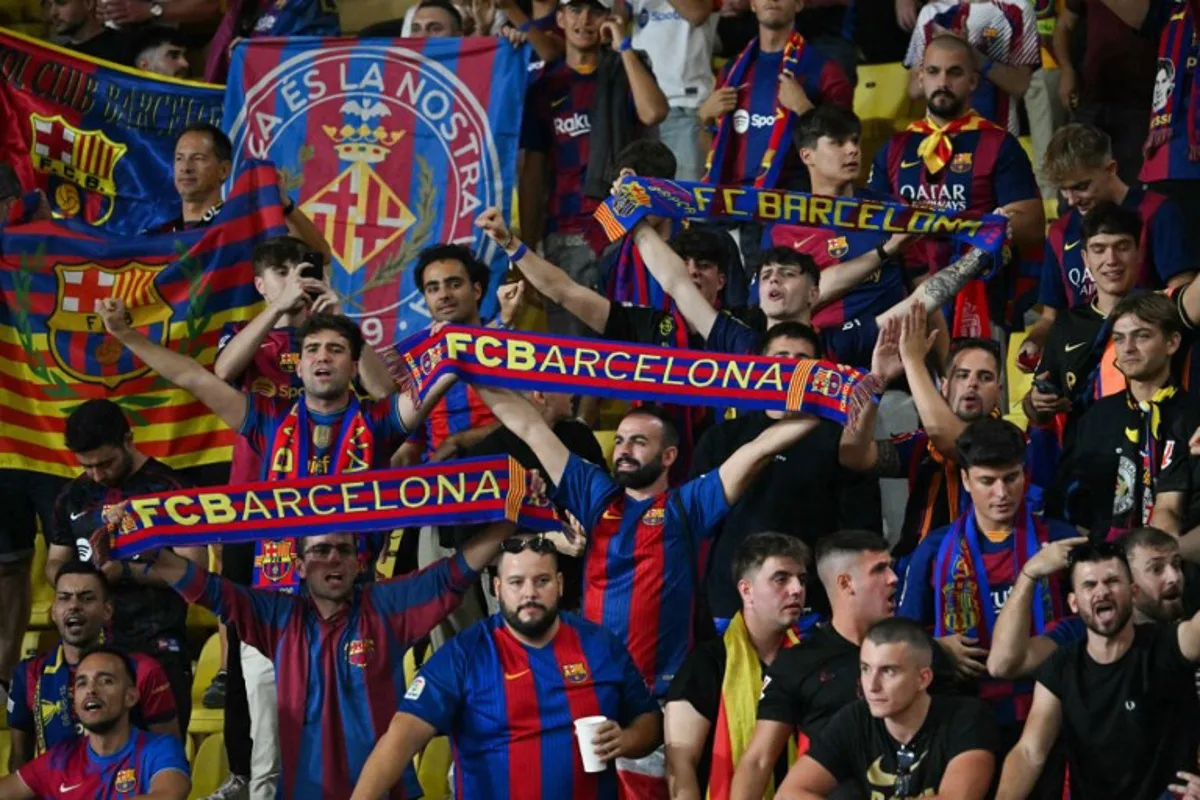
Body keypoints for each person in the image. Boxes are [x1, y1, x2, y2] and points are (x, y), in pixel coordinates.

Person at [478, 387, 824, 796]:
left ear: (668, 457)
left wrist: (825, 405)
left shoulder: (688, 505)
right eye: (620, 439)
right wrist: (463, 367)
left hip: (660, 705)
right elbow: (528, 426)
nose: (623, 449)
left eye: (639, 442)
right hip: (591, 692)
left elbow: (758, 450)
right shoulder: (594, 494)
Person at [122, 521, 518, 799]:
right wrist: (137, 544)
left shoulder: (387, 606)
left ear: (358, 564)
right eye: (321, 550)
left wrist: (512, 517)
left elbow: (456, 571)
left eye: (344, 550)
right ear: (299, 566)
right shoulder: (278, 617)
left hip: (385, 793)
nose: (333, 559)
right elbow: (210, 590)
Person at [210, 236, 395, 800]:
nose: (298, 282)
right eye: (283, 273)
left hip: (339, 531)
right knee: (252, 652)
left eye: (304, 272)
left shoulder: (335, 345)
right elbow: (220, 372)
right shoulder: (252, 335)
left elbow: (384, 394)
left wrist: (338, 321)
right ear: (263, 283)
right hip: (253, 513)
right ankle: (248, 771)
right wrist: (278, 309)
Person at [350, 534, 663, 799]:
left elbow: (649, 719)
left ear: (560, 583)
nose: (529, 593)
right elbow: (399, 738)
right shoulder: (465, 655)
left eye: (541, 581)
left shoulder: (599, 644)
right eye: (517, 582)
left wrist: (627, 740)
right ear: (497, 588)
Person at [731, 530, 952, 800]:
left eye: (891, 568)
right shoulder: (796, 663)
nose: (894, 579)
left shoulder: (921, 652)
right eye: (879, 570)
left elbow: (958, 736)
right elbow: (758, 761)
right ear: (846, 583)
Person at [897, 417, 1076, 737]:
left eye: (1011, 478)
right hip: (964, 714)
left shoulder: (1059, 541)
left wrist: (1050, 643)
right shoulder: (935, 550)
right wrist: (937, 647)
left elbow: (1093, 623)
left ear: (1025, 474)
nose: (1001, 493)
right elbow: (900, 638)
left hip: (1051, 708)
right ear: (965, 480)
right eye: (987, 481)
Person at [631, 213, 997, 368]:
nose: (773, 280)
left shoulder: (840, 342)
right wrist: (634, 220)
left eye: (787, 274)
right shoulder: (741, 339)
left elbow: (920, 300)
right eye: (767, 274)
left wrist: (981, 254)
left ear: (813, 294)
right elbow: (676, 282)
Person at [692, 323, 881, 622]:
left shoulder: (840, 442)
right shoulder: (721, 437)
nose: (791, 367)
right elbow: (696, 520)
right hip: (730, 604)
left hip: (809, 607)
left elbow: (859, 533)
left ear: (818, 371)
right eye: (781, 358)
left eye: (802, 360)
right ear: (761, 366)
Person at [43, 400, 205, 733]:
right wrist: (81, 581)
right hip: (92, 653)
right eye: (87, 466)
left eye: (106, 463)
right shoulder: (72, 496)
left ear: (129, 440)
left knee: (163, 759)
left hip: (158, 646)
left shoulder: (172, 490)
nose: (97, 475)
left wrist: (126, 572)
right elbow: (55, 562)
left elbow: (195, 568)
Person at [996, 541, 1200, 799]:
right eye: (1089, 585)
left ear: (1133, 592)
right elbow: (1029, 752)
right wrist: (1029, 572)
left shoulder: (1172, 644)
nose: (1102, 592)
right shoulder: (1061, 667)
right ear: (1073, 602)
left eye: (1112, 581)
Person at [870, 34, 1042, 330]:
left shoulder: (999, 143)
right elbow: (871, 220)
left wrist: (998, 227)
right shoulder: (895, 147)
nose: (943, 83)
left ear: (974, 82)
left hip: (981, 299)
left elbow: (1033, 225)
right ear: (920, 77)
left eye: (955, 72)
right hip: (904, 299)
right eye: (934, 72)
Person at [519, 0, 668, 335]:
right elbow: (533, 174)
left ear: (609, 17)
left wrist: (623, 44)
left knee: (627, 350)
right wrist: (526, 254)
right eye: (574, 9)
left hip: (622, 230)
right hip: (565, 237)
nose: (584, 19)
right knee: (572, 361)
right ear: (559, 17)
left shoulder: (628, 69)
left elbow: (653, 113)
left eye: (595, 11)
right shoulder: (545, 87)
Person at [1021, 124, 1195, 364]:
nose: (1072, 200)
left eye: (1081, 186)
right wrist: (1035, 341)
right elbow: (1051, 316)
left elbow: (1183, 295)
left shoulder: (1159, 213)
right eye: (1064, 190)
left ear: (1111, 168)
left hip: (1149, 360)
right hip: (1083, 364)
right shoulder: (1060, 231)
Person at [840, 307, 1005, 558]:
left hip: (980, 570)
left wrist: (913, 361)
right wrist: (876, 381)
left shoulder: (1008, 440)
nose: (972, 384)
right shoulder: (923, 443)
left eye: (985, 377)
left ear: (999, 391)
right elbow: (853, 454)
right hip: (919, 566)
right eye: (962, 375)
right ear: (946, 386)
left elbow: (955, 443)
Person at [777, 618, 999, 799]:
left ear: (923, 678)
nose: (871, 686)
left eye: (888, 671)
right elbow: (789, 793)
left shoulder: (966, 717)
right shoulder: (854, 719)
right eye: (865, 669)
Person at [663, 532, 811, 799]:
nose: (796, 589)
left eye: (801, 579)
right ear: (746, 590)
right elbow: (680, 763)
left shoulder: (811, 661)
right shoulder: (708, 662)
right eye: (781, 579)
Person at [1052, 292, 1200, 537]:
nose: (1128, 348)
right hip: (1107, 562)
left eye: (1141, 336)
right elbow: (1074, 500)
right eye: (1119, 339)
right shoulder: (1094, 418)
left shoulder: (1195, 416)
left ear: (1172, 342)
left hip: (1182, 561)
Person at [7, 561, 178, 770]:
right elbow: (19, 763)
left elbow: (170, 759)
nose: (74, 606)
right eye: (64, 598)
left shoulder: (143, 671)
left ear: (107, 611)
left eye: (86, 598)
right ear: (53, 611)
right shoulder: (28, 674)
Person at [768, 106, 914, 332]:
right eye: (838, 143)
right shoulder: (783, 224)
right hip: (820, 353)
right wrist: (884, 252)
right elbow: (778, 306)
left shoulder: (893, 210)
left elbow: (921, 288)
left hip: (890, 351)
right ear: (807, 155)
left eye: (855, 141)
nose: (853, 150)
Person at [987, 527, 1189, 680]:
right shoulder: (1078, 634)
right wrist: (1029, 574)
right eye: (1156, 569)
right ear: (1129, 583)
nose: (1174, 577)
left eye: (1177, 565)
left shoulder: (1187, 627)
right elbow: (1002, 665)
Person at [698, 0, 852, 190]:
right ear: (752, 5)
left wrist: (803, 108)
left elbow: (844, 145)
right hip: (733, 202)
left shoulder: (825, 70)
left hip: (792, 203)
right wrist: (705, 119)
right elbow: (714, 153)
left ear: (798, 4)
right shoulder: (731, 71)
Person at [0, 647, 190, 800]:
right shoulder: (61, 758)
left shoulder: (160, 749)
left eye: (105, 681)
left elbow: (168, 794)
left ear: (130, 697)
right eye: (82, 683)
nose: (91, 690)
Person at [1023, 202, 1145, 440]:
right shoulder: (1065, 324)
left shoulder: (1163, 316)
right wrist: (1037, 403)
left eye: (1122, 247)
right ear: (1085, 258)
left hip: (1148, 462)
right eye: (1099, 249)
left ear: (1139, 253)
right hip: (1084, 464)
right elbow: (1037, 412)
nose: (1111, 260)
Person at [393, 245, 501, 467]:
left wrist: (459, 441)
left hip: (503, 474)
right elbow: (412, 444)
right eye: (433, 289)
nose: (444, 295)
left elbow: (539, 418)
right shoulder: (418, 361)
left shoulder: (509, 345)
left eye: (454, 284)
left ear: (477, 291)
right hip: (438, 486)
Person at [157, 124, 329, 260]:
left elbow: (320, 255)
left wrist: (285, 205)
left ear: (224, 170)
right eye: (179, 158)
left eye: (198, 158)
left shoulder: (246, 226)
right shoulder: (159, 236)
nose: (186, 168)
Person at [1052, 0, 1156, 185]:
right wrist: (1067, 70)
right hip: (1091, 97)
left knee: (1131, 185)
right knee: (1074, 173)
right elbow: (1064, 27)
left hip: (1141, 102)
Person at [903, 0, 1040, 137]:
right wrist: (941, 51)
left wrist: (971, 55)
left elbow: (1021, 85)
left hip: (998, 136)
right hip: (940, 139)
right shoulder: (932, 12)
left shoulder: (1018, 9)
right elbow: (914, 90)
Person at [628, 0, 716, 181]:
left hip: (687, 107)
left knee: (685, 197)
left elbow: (697, 13)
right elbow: (611, 19)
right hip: (641, 108)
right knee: (644, 197)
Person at [42, 0, 131, 62]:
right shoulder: (59, 55)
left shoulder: (126, 48)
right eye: (50, 5)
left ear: (88, 3)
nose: (52, 13)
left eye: (61, 2)